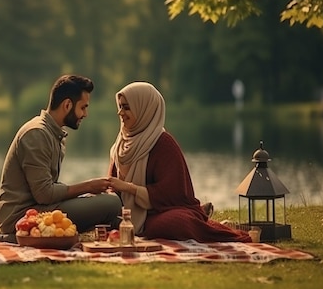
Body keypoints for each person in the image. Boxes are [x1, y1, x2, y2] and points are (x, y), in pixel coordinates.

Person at [106, 81, 252, 242]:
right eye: (119, 107)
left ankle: (211, 225)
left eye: (126, 107)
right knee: (106, 219)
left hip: (162, 211)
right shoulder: (120, 143)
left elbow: (172, 194)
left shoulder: (163, 143)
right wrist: (109, 197)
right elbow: (113, 187)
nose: (120, 112)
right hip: (128, 213)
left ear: (144, 110)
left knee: (172, 225)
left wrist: (129, 188)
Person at [0, 74, 122, 240]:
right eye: (83, 107)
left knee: (109, 205)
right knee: (111, 203)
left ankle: (111, 233)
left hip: (42, 207)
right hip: (20, 216)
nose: (86, 114)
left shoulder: (52, 133)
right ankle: (16, 236)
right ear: (67, 105)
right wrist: (88, 186)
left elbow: (47, 191)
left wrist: (84, 195)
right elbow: (44, 194)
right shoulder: (37, 134)